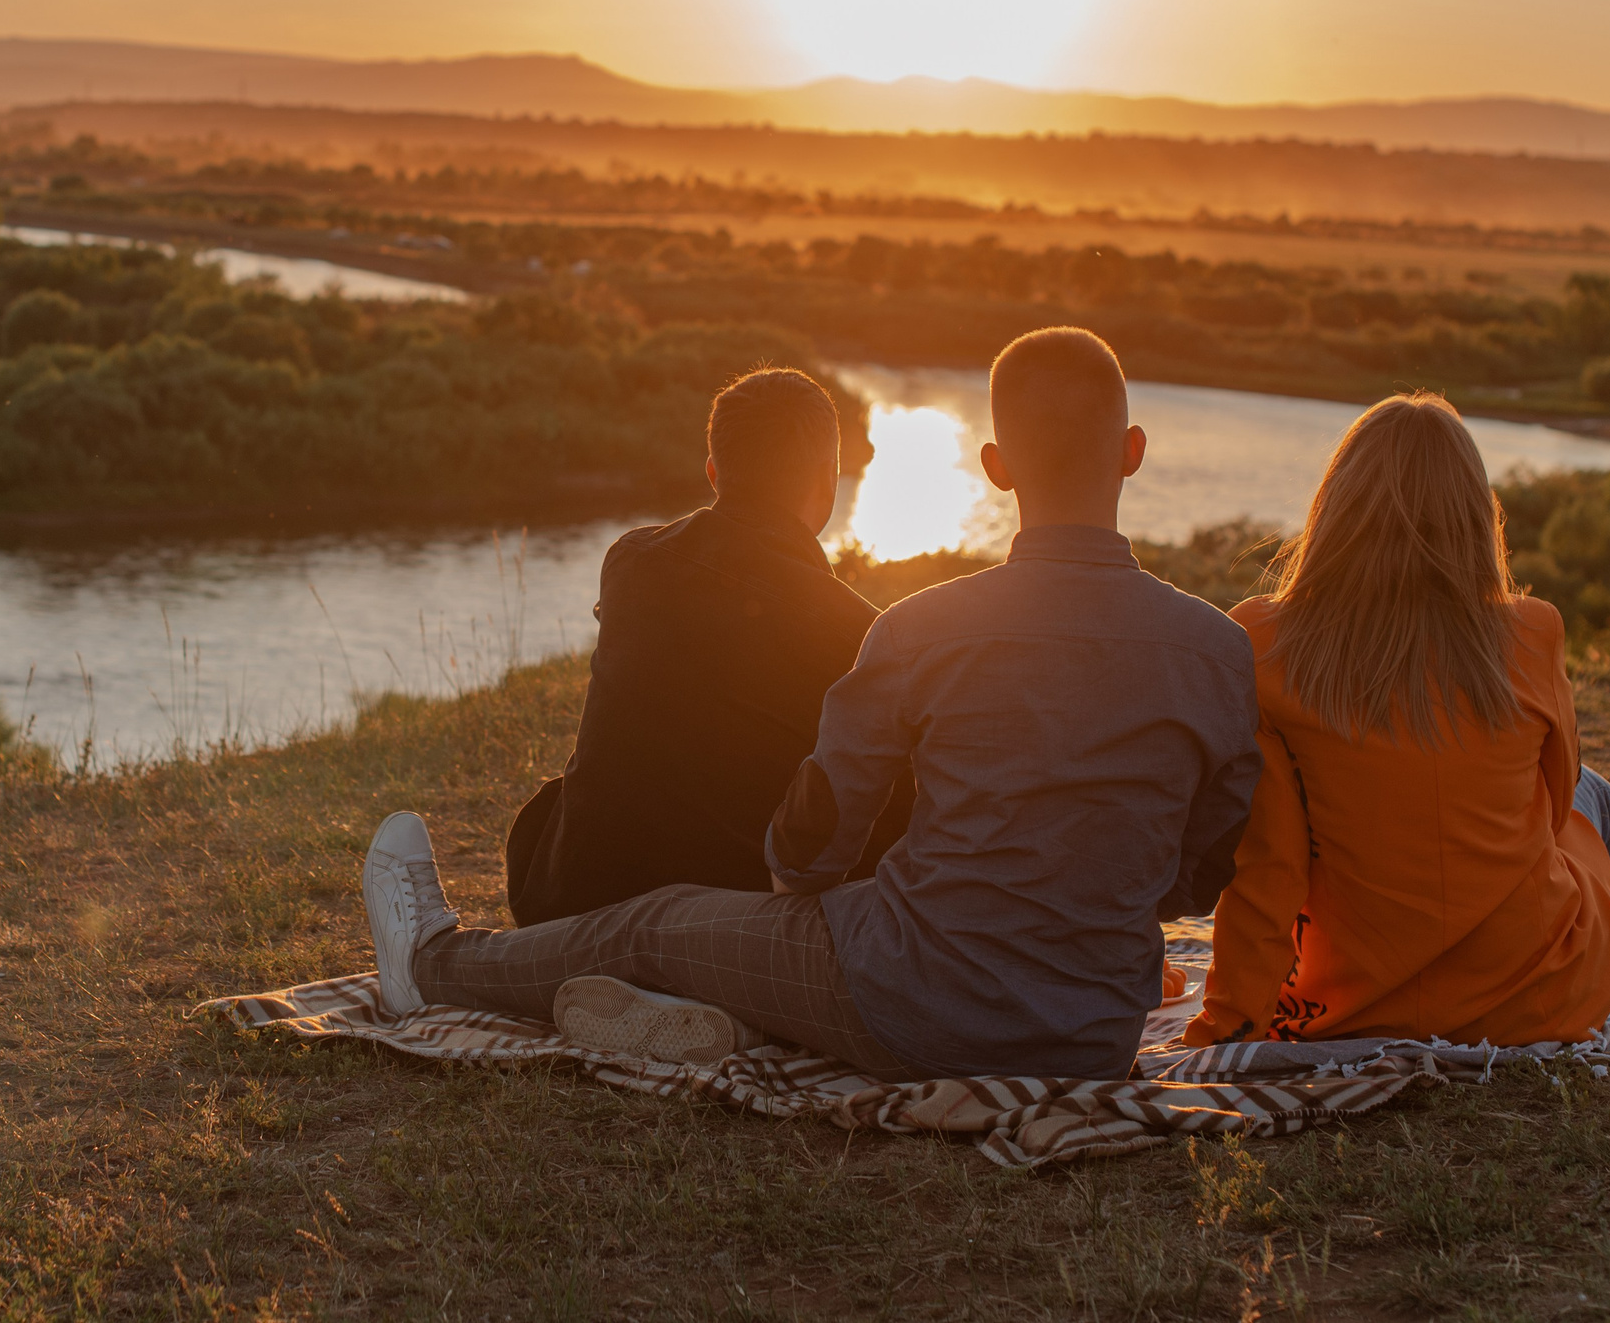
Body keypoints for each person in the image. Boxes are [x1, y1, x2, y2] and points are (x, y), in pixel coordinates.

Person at [363, 328, 1262, 1080]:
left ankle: (432, 964)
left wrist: (814, 882)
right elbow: (1200, 869)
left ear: (994, 466)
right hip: (1095, 1035)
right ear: (1134, 450)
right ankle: (736, 1009)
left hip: (906, 1008)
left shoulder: (921, 631)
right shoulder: (1220, 651)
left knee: (661, 920)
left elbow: (810, 851)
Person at [1184, 393, 1610, 1050]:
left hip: (1355, 1001)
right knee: (1587, 796)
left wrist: (1225, 1027)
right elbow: (1554, 807)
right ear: (1475, 515)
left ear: (1334, 509)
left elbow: (1268, 863)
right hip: (1535, 997)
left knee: (1580, 808)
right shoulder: (1532, 630)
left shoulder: (1260, 641)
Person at [503, 367, 903, 927]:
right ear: (828, 477)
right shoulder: (860, 628)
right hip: (735, 917)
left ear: (714, 472)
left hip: (570, 898)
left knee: (563, 794)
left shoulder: (631, 559)